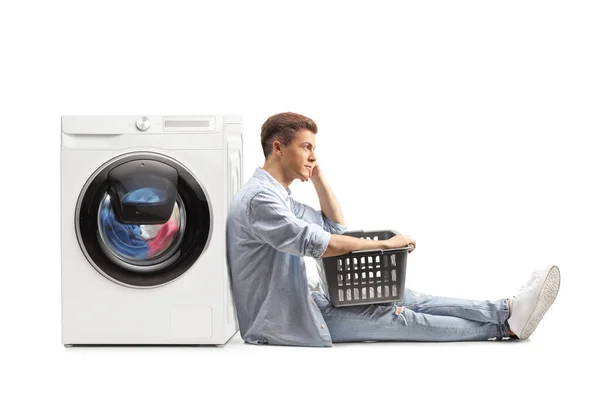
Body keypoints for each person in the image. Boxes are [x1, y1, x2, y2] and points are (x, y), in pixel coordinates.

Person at [225, 112, 561, 347]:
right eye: (306, 147)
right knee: (400, 318)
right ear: (278, 148)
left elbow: (333, 224)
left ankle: (506, 309)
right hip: (285, 319)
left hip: (305, 297)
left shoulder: (276, 195)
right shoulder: (260, 200)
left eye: (314, 148)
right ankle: (504, 327)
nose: (313, 154)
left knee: (408, 297)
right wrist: (388, 246)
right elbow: (320, 243)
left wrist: (318, 175)